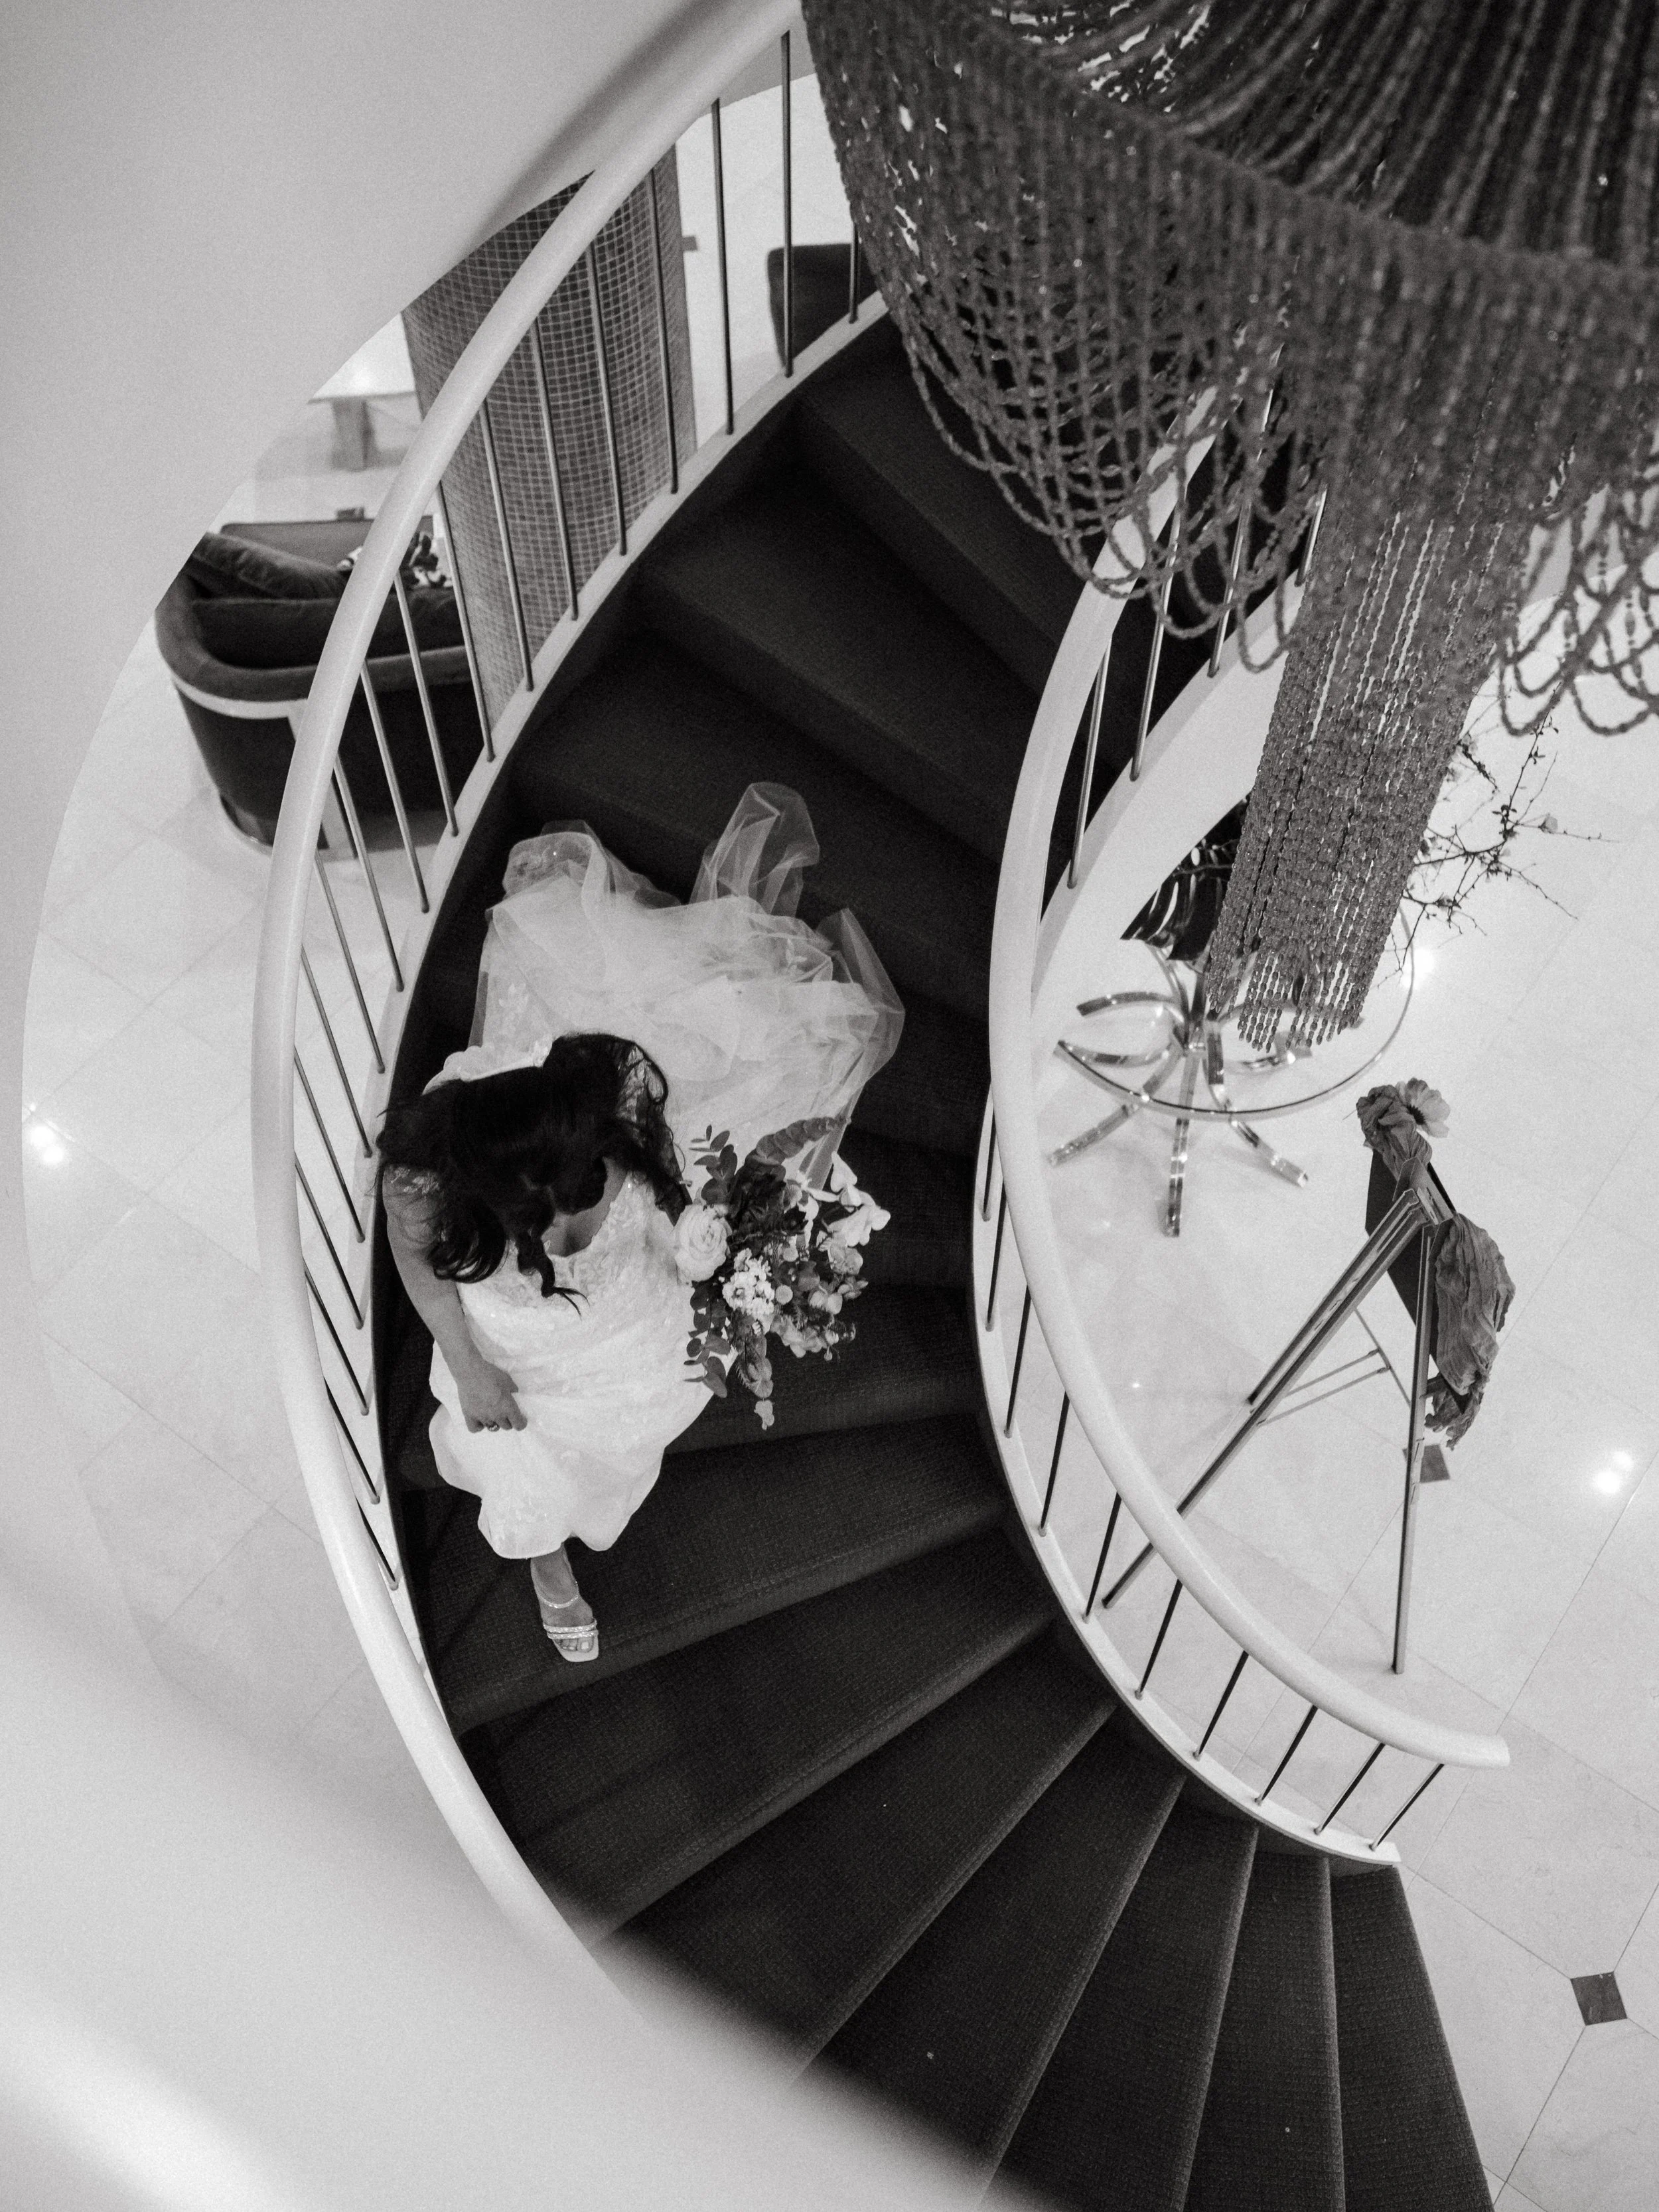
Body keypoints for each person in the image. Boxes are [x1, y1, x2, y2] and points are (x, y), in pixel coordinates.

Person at [378, 785, 902, 1663]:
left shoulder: (613, 1112)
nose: (570, 1199)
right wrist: (468, 1366)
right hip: (517, 1361)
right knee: (525, 1467)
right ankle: (545, 1563)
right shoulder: (431, 1172)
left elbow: (675, 1190)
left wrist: (716, 1256)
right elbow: (414, 1254)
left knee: (624, 1441)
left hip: (635, 1327)